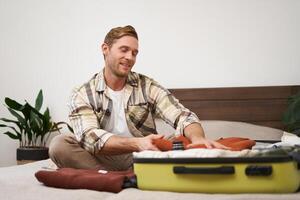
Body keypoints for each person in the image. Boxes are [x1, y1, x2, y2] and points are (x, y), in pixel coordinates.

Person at [49, 25, 227, 171]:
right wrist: (137, 143)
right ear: (105, 49)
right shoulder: (82, 93)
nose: (130, 57)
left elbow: (182, 115)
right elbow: (90, 138)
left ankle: (117, 175)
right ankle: (122, 175)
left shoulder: (146, 85)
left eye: (134, 53)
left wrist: (196, 138)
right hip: (102, 157)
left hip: (145, 155)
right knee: (59, 144)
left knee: (183, 139)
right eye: (124, 50)